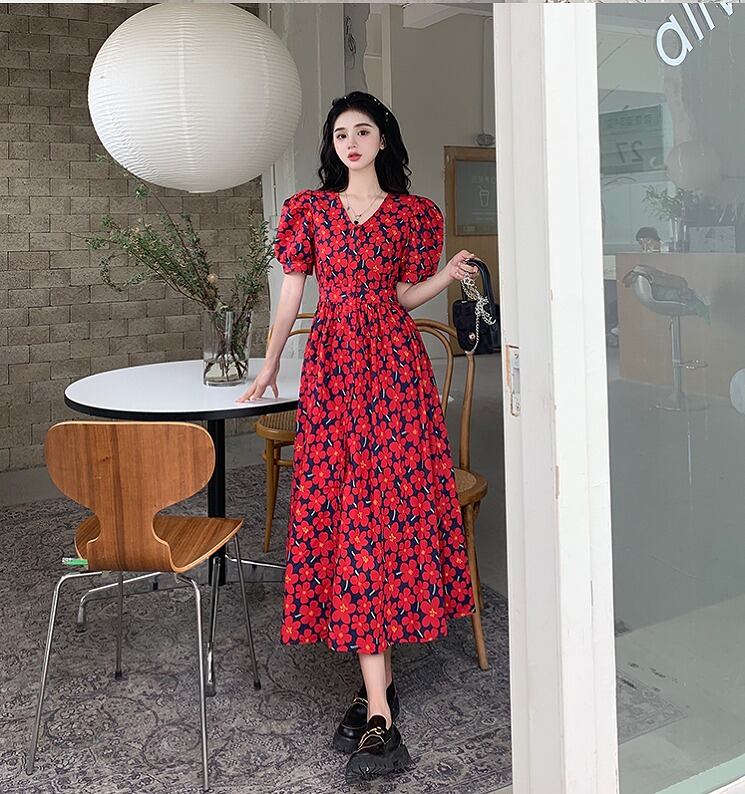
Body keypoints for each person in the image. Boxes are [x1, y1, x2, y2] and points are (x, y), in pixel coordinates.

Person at [237, 90, 479, 783]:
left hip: (395, 370)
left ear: (382, 140)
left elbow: (399, 296)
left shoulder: (413, 214)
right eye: (340, 132)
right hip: (333, 369)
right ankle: (378, 696)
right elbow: (292, 294)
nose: (350, 141)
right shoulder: (308, 211)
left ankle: (377, 706)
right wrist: (270, 362)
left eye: (362, 130)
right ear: (333, 144)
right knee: (347, 510)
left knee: (383, 512)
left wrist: (445, 277)